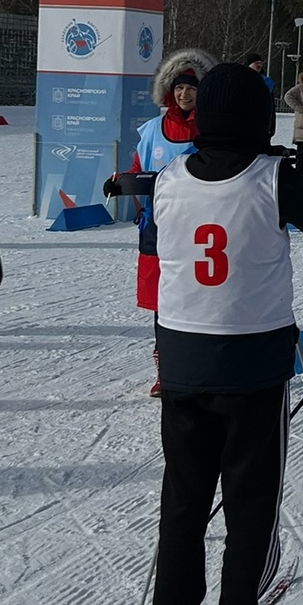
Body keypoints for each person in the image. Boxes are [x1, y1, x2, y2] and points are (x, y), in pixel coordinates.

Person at [145, 64, 303, 605]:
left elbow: (160, 240)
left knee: (185, 502)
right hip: (252, 367)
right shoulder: (271, 177)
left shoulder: (169, 177)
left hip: (181, 362)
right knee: (250, 505)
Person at [110, 50, 215, 397]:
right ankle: (166, 369)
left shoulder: (212, 128)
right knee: (162, 301)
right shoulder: (153, 129)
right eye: (180, 89)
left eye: (193, 89)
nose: (185, 95)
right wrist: (122, 181)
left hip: (200, 228)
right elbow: (139, 168)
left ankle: (202, 365)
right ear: (170, 91)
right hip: (158, 226)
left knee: (200, 296)